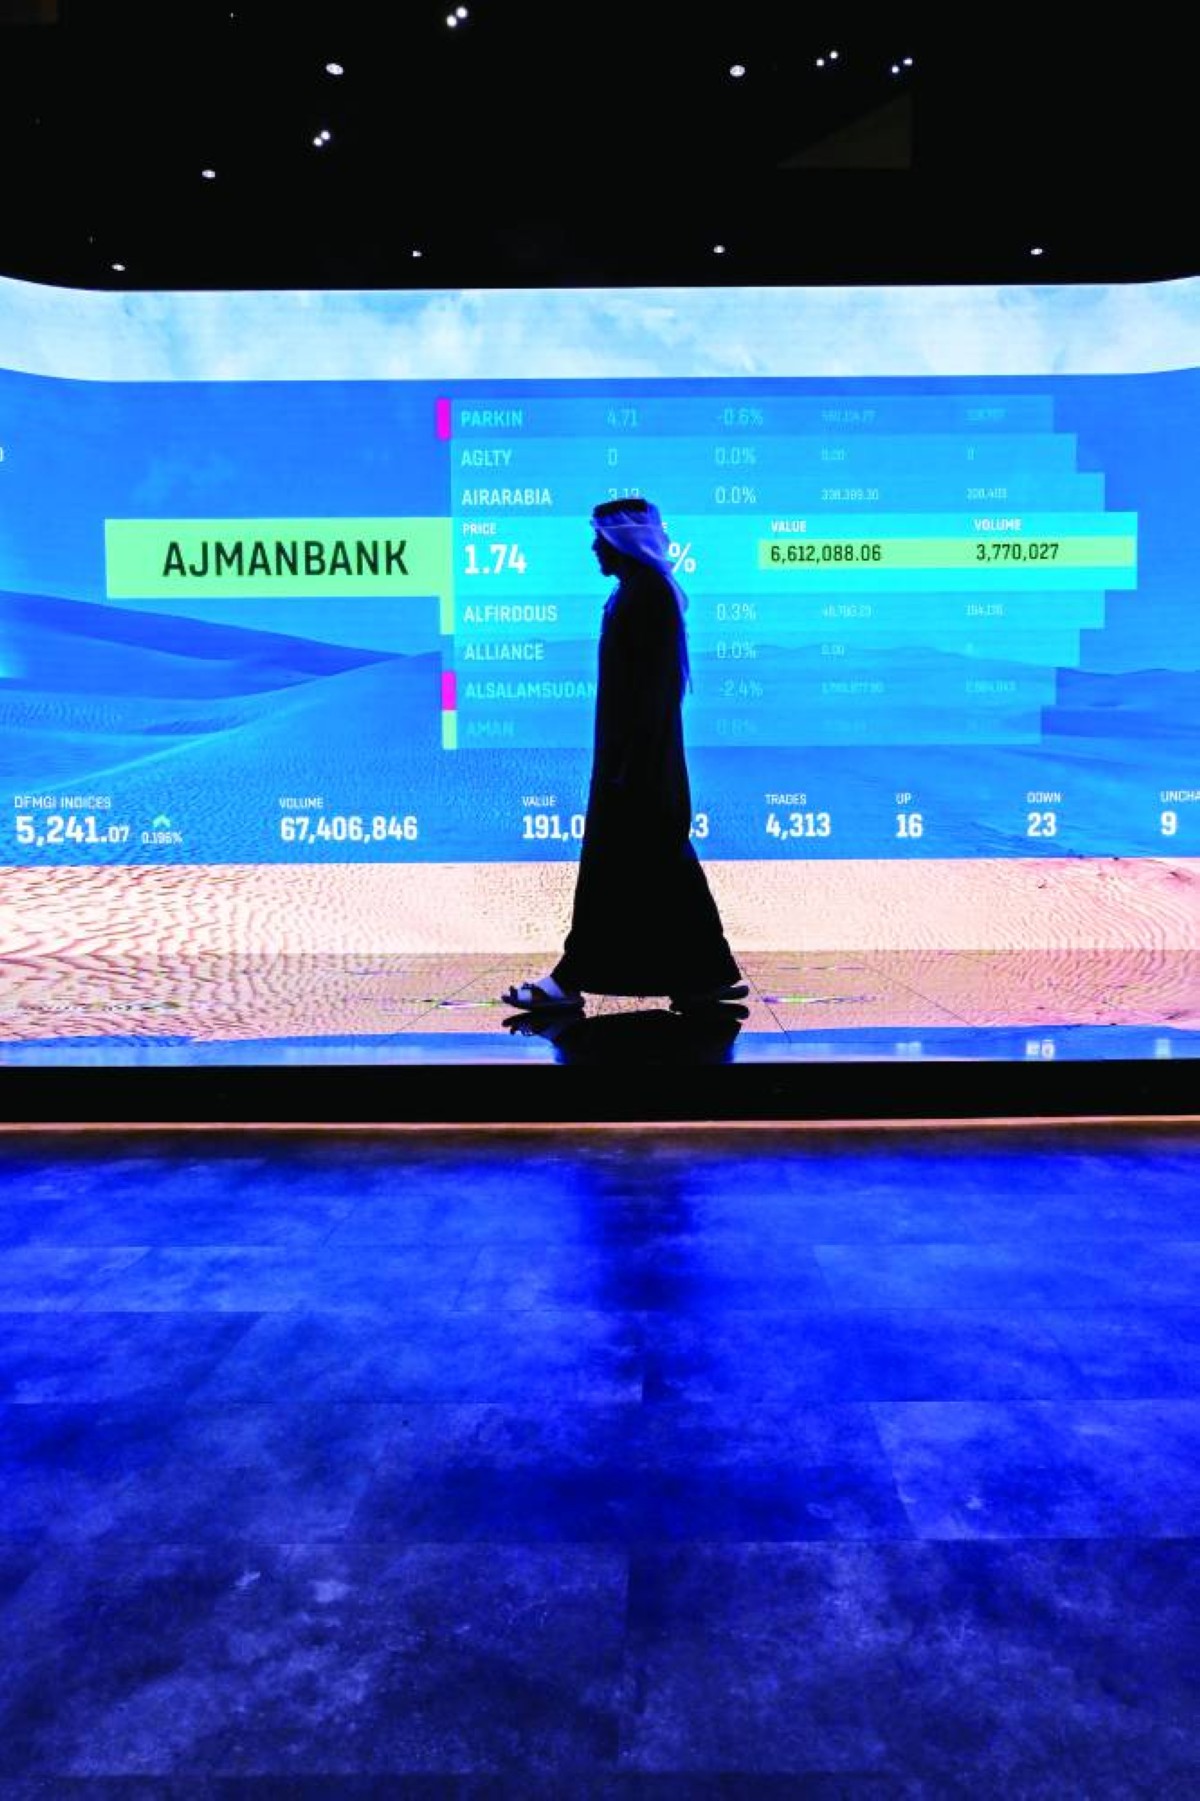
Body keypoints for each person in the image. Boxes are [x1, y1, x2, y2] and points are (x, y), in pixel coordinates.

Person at [503, 497, 746, 1012]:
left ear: (622, 542)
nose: (594, 549)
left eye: (600, 539)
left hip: (636, 764)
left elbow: (652, 691)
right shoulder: (638, 591)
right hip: (638, 760)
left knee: (616, 873)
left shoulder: (646, 595)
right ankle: (702, 976)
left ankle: (572, 979)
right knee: (662, 868)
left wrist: (628, 766)